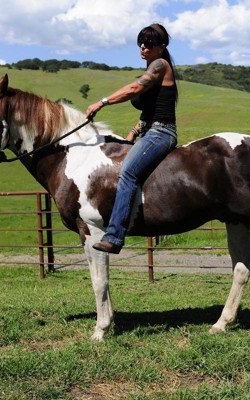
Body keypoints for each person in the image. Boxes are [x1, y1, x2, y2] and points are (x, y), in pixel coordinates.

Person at [86, 23, 178, 254]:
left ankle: (115, 236)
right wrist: (133, 133)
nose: (143, 47)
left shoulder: (160, 65)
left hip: (161, 133)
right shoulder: (152, 68)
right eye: (141, 42)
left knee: (127, 172)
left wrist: (102, 102)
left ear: (162, 46)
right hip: (150, 132)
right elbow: (150, 110)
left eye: (149, 43)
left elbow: (134, 89)